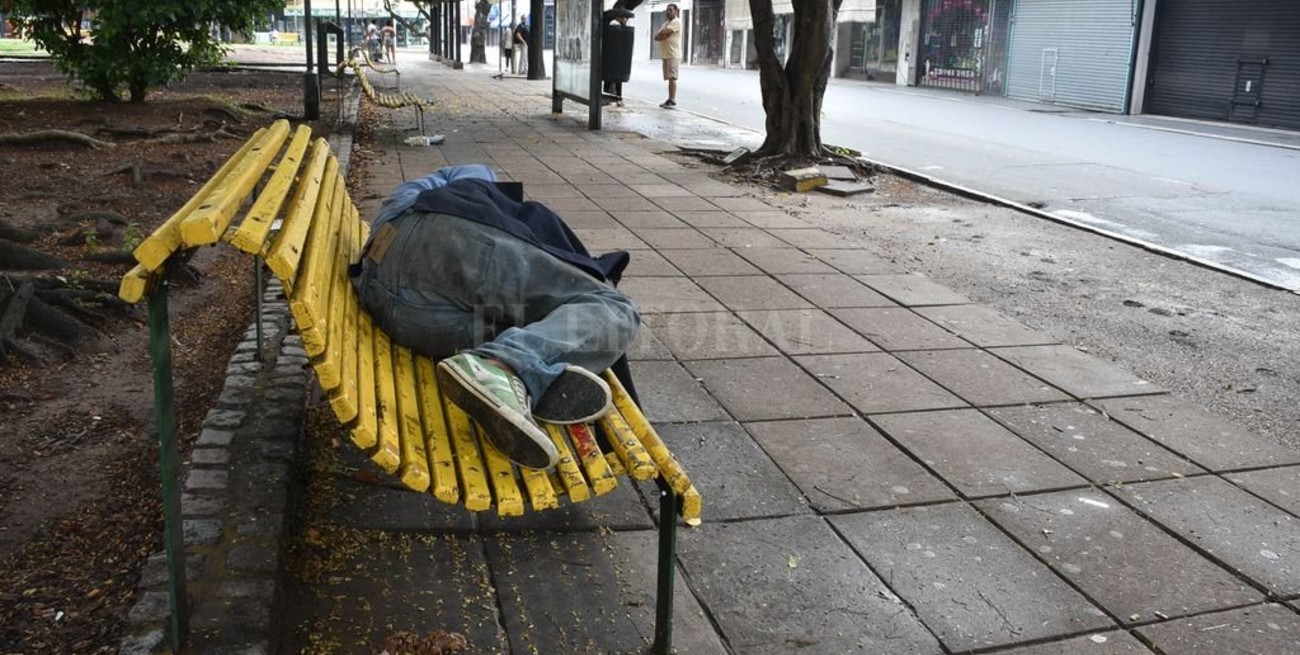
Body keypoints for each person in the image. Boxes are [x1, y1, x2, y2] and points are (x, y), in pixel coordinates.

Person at [349, 166, 640, 470]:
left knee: (527, 324)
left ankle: (527, 379)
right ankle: (503, 366)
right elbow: (474, 178)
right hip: (444, 241)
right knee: (614, 307)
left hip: (391, 305)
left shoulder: (407, 195)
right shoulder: (473, 178)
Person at [654, 4, 682, 108]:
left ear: (676, 11)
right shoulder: (666, 23)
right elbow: (657, 36)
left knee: (672, 78)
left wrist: (663, 34)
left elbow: (665, 33)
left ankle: (672, 99)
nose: (668, 12)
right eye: (667, 10)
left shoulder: (676, 22)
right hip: (666, 54)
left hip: (673, 54)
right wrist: (663, 34)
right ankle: (669, 98)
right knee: (668, 78)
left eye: (670, 10)